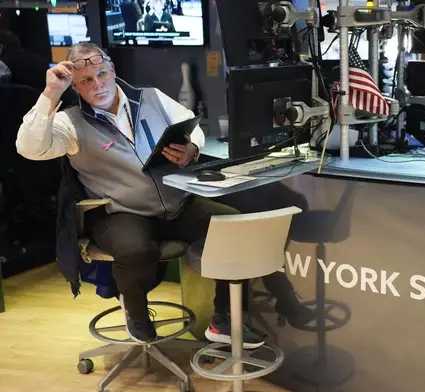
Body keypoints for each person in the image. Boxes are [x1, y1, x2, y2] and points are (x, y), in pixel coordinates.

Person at [15, 42, 266, 348]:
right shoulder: (70, 122)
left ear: (113, 70)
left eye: (102, 74)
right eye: (86, 81)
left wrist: (192, 149)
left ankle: (224, 320)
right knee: (135, 249)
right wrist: (51, 93)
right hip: (120, 212)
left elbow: (191, 123)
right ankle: (135, 315)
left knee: (235, 226)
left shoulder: (151, 97)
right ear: (76, 86)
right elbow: (29, 148)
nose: (98, 85)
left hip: (176, 203)